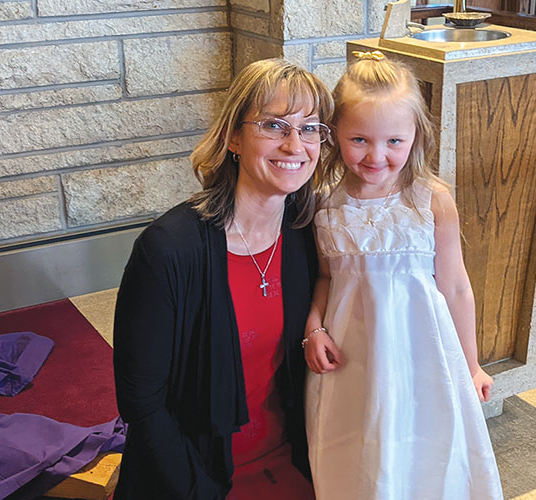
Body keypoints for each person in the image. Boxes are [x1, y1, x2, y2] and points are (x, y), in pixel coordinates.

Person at [112, 58, 333, 500]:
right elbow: (143, 404)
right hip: (196, 474)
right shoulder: (168, 249)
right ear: (234, 136)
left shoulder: (308, 232)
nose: (295, 145)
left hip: (294, 460)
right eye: (274, 126)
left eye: (310, 128)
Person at [302, 51, 505, 500]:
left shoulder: (431, 200)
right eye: (359, 139)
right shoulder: (324, 204)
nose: (377, 156)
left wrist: (471, 365)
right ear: (335, 133)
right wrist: (313, 328)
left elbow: (454, 286)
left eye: (394, 141)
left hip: (423, 355)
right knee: (357, 450)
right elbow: (325, 278)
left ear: (417, 136)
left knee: (428, 448)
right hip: (354, 358)